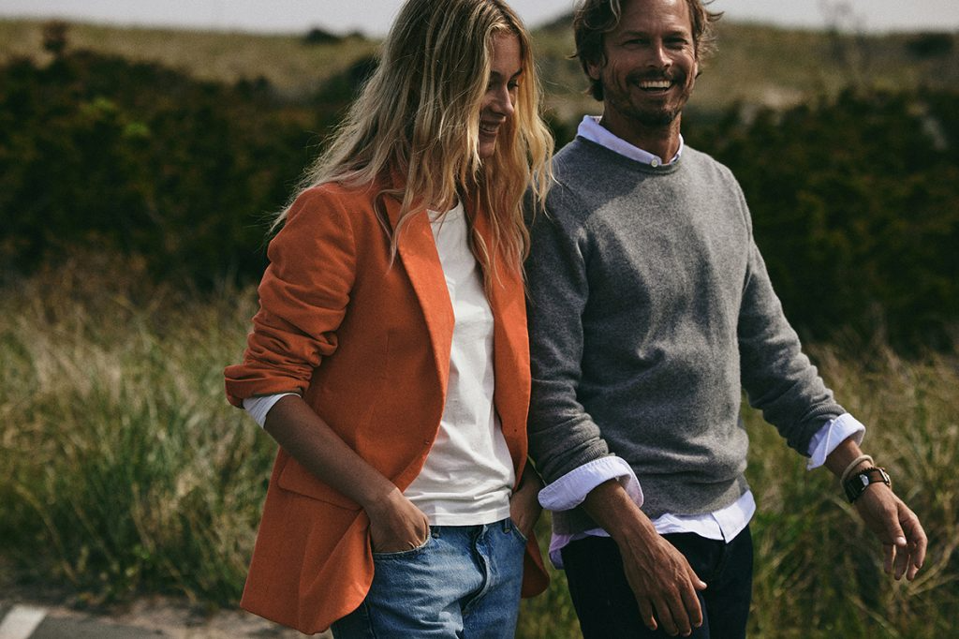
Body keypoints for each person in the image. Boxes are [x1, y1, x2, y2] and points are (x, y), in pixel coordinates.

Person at [524, 0, 928, 637]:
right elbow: (545, 398)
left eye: (674, 42)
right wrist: (636, 539)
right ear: (597, 60)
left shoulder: (719, 186)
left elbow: (771, 352)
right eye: (635, 43)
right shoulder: (555, 199)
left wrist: (858, 473)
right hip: (626, 542)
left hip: (730, 523)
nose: (659, 60)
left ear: (695, 56)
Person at [224, 1, 554, 636]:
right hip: (403, 551)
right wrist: (379, 500)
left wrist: (527, 496)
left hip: (499, 542)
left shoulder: (498, 216)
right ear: (430, 82)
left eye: (513, 85)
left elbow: (531, 370)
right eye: (486, 82)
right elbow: (267, 384)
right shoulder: (338, 213)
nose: (506, 106)